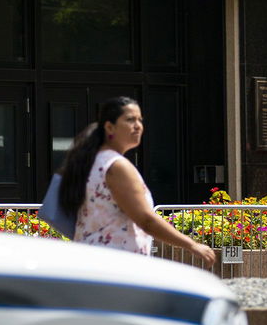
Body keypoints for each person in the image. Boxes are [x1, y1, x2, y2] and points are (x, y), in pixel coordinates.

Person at [58, 96, 216, 264]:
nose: (138, 126)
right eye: (130, 119)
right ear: (110, 127)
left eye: (140, 120)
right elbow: (146, 220)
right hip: (117, 265)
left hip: (95, 261)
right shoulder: (117, 166)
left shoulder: (91, 161)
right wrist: (192, 245)